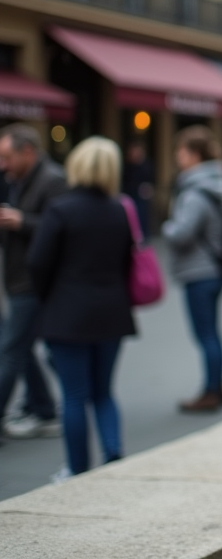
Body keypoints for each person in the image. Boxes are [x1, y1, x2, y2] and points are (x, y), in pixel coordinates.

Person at [27, 137, 135, 481]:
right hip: (112, 310)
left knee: (74, 395)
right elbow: (126, 262)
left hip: (68, 311)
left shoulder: (61, 209)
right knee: (103, 392)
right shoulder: (119, 209)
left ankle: (77, 468)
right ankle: (113, 452)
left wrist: (49, 297)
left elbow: (37, 262)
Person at [162, 126, 222, 413]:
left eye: (180, 151)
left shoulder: (194, 191)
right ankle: (218, 384)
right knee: (212, 332)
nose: (177, 157)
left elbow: (182, 233)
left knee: (205, 334)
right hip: (215, 267)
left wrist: (166, 226)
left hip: (198, 270)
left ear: (193, 154)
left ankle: (211, 390)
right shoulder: (219, 183)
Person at [0, 124, 66, 441]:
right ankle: (43, 407)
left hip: (33, 281)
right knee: (22, 350)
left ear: (27, 151)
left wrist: (22, 221)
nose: (3, 164)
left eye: (7, 156)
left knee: (11, 350)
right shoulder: (18, 179)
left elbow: (60, 229)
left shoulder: (52, 180)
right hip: (19, 278)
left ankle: (36, 408)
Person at [120, 141, 155, 236]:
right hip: (130, 195)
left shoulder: (145, 164)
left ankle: (143, 237)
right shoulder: (127, 166)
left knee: (142, 217)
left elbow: (150, 179)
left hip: (141, 196)